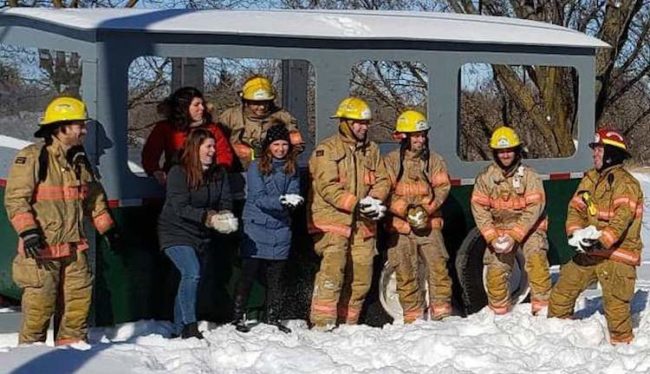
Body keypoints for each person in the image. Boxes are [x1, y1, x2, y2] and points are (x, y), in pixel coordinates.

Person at [4, 96, 118, 346]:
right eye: (80, 125)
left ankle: (70, 359)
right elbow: (15, 200)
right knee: (38, 314)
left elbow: (93, 198)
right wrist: (28, 231)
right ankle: (31, 364)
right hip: (41, 254)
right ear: (61, 127)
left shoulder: (78, 161)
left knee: (76, 314)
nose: (84, 130)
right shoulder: (33, 157)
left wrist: (107, 228)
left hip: (75, 252)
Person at [548, 129, 643, 345]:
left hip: (618, 256)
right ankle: (557, 343)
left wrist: (602, 240)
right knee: (561, 294)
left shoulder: (626, 184)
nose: (594, 154)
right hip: (592, 252)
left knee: (617, 313)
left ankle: (623, 354)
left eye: (599, 150)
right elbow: (576, 208)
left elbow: (621, 220)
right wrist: (575, 233)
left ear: (611, 153)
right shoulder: (590, 178)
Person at [307, 97, 390, 330]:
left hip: (363, 225)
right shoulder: (326, 150)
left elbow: (383, 179)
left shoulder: (372, 150)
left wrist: (375, 199)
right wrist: (358, 203)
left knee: (361, 278)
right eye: (357, 123)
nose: (363, 127)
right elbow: (327, 187)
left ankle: (348, 324)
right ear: (344, 123)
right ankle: (322, 324)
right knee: (333, 272)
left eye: (365, 123)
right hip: (333, 223)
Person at [157, 128, 238, 339]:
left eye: (214, 146)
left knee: (189, 278)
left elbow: (225, 200)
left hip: (201, 234)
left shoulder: (218, 173)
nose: (212, 151)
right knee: (192, 272)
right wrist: (208, 218)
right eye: (208, 146)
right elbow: (179, 206)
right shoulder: (179, 172)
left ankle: (178, 327)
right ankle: (190, 327)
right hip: (175, 231)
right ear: (196, 148)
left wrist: (225, 216)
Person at [470, 126, 551, 315]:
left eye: (509, 150)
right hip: (500, 230)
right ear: (495, 153)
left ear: (516, 151)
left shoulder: (529, 176)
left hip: (529, 229)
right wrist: (492, 238)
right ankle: (499, 314)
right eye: (501, 151)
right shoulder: (485, 178)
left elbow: (534, 209)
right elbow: (479, 209)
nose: (505, 155)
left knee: (537, 260)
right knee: (496, 271)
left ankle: (543, 310)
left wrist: (515, 236)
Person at [383, 110, 453, 322]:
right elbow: (384, 191)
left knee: (439, 269)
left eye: (423, 135)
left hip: (429, 225)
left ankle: (442, 318)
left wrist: (425, 210)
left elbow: (442, 188)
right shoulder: (392, 161)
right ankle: (413, 320)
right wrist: (404, 210)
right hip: (401, 227)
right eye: (416, 136)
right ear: (404, 137)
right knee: (406, 273)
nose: (421, 140)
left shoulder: (434, 160)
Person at [233, 124, 302, 334]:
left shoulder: (292, 168)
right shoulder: (256, 167)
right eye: (276, 144)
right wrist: (282, 201)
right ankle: (238, 315)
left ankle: (273, 316)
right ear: (268, 146)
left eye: (284, 145)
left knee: (276, 276)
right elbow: (258, 197)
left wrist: (292, 201)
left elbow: (294, 189)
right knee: (249, 272)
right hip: (256, 225)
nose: (280, 149)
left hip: (281, 227)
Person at [142, 86, 234, 185]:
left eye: (202, 104)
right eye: (196, 105)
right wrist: (155, 171)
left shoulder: (212, 128)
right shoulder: (164, 128)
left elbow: (224, 152)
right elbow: (150, 154)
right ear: (184, 107)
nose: (202, 108)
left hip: (207, 179)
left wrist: (220, 171)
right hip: (175, 180)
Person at [218, 75, 305, 171]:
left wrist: (277, 154)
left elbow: (298, 145)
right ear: (246, 101)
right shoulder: (230, 117)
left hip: (272, 171)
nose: (262, 107)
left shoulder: (283, 117)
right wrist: (235, 149)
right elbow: (215, 143)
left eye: (265, 102)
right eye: (257, 103)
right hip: (236, 172)